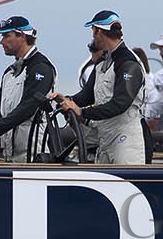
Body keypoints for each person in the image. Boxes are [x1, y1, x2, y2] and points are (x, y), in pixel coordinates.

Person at [55, 10, 145, 165]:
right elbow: (87, 95)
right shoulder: (103, 62)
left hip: (126, 140)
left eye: (92, 32)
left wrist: (82, 112)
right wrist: (66, 100)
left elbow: (120, 104)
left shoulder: (128, 63)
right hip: (104, 138)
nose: (92, 37)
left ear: (98, 31)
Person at [0, 16, 57, 162]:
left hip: (34, 151)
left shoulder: (41, 67)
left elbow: (29, 106)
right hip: (11, 152)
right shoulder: (10, 72)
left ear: (21, 36)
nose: (1, 41)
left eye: (6, 36)